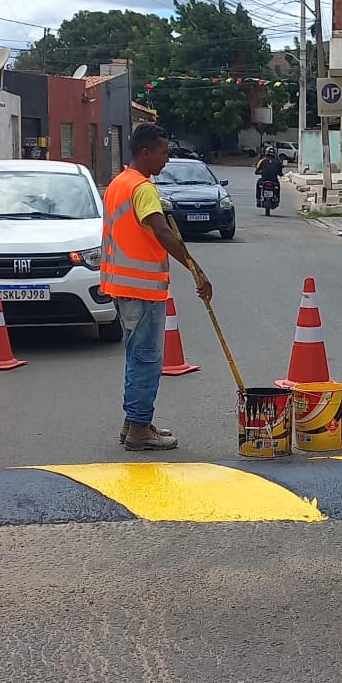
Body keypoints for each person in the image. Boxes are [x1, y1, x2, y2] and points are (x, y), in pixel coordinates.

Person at [101, 123, 212, 452]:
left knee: (137, 357)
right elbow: (162, 232)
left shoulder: (118, 184)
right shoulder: (142, 189)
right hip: (142, 289)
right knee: (147, 360)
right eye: (163, 153)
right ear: (145, 152)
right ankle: (139, 430)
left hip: (120, 285)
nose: (167, 159)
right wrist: (196, 270)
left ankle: (134, 422)